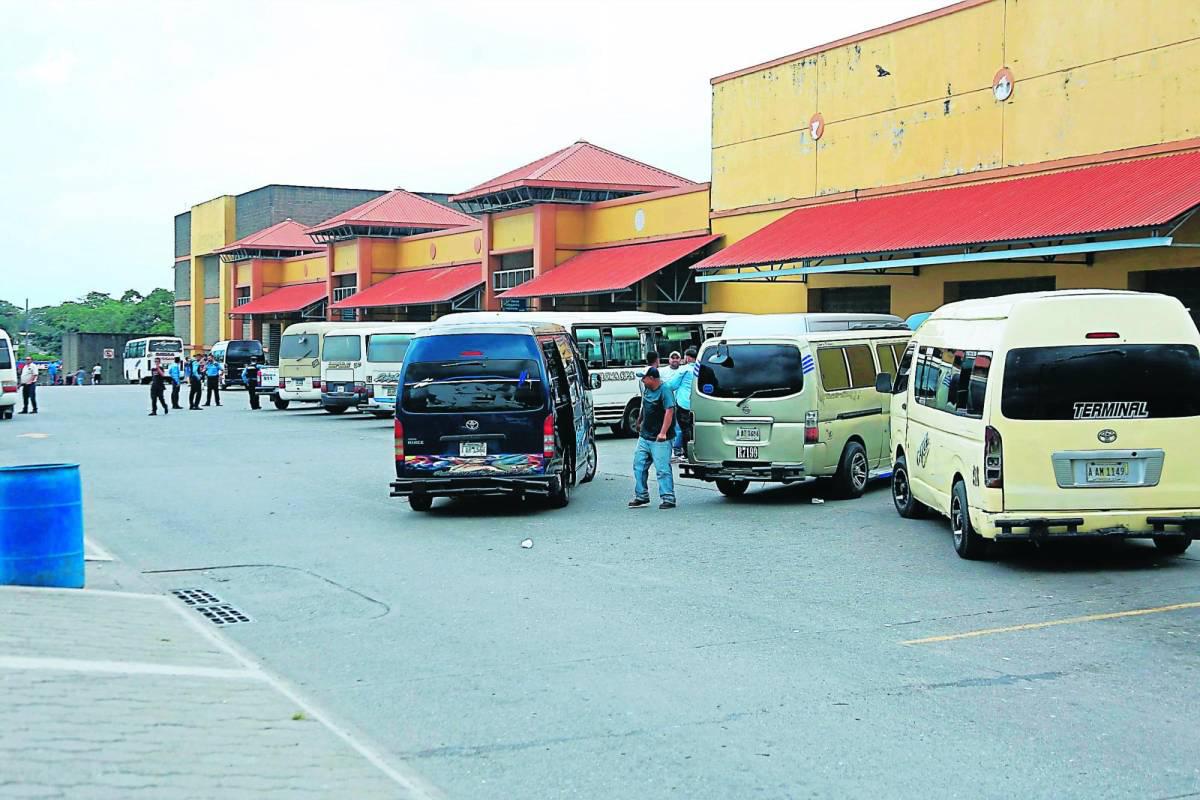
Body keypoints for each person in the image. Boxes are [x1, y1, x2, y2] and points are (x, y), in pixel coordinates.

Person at [629, 366, 676, 510]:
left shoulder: (665, 390)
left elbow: (669, 411)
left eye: (644, 377)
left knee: (662, 469)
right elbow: (644, 405)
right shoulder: (647, 389)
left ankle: (668, 497)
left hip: (659, 438)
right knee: (639, 465)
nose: (642, 380)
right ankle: (641, 495)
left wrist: (663, 433)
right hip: (645, 435)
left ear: (652, 378)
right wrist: (639, 421)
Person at [666, 347, 698, 461]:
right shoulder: (702, 368)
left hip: (683, 402)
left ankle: (686, 453)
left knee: (685, 429)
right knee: (695, 428)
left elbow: (672, 385)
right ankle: (696, 451)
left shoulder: (683, 369)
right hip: (698, 402)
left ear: (688, 358)